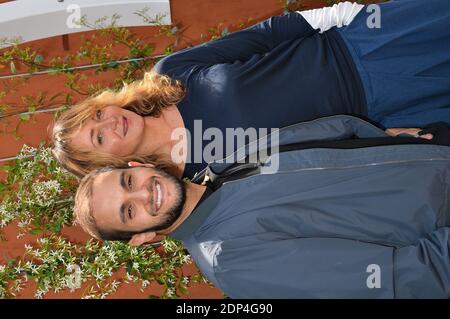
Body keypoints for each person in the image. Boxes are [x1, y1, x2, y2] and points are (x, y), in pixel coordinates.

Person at [53, 0, 450, 178]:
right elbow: (308, 165)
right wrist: (382, 141)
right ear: (110, 165)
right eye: (99, 136)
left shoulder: (169, 74)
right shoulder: (200, 176)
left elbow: (265, 36)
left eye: (98, 114)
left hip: (365, 45)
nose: (110, 122)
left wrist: (349, 15)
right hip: (387, 112)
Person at [73, 116, 450, 298]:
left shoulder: (222, 167)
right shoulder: (233, 263)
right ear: (142, 236)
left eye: (128, 183)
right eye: (128, 212)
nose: (142, 195)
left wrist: (388, 138)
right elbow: (398, 278)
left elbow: (327, 133)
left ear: (138, 166)